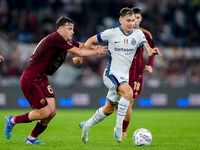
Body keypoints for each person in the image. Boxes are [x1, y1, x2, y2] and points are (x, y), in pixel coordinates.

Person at [4, 16, 108, 144]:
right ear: (60, 29)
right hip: (30, 77)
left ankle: (31, 139)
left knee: (51, 112)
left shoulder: (64, 41)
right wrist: (95, 51)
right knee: (44, 113)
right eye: (69, 29)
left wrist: (94, 48)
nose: (72, 32)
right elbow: (79, 52)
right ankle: (12, 120)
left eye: (73, 29)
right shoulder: (55, 38)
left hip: (41, 77)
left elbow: (81, 45)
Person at [74, 7, 162, 143]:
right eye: (128, 20)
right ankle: (118, 128)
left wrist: (152, 52)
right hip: (110, 74)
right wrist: (81, 56)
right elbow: (91, 40)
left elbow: (148, 50)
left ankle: (87, 125)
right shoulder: (111, 33)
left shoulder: (138, 34)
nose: (131, 23)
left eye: (133, 20)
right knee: (128, 92)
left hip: (124, 77)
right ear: (120, 20)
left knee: (108, 110)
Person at [122, 7, 156, 137]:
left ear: (141, 19)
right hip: (122, 69)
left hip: (136, 71)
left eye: (137, 18)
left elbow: (151, 50)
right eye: (132, 18)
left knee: (130, 101)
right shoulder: (123, 32)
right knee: (118, 103)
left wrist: (150, 65)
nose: (135, 21)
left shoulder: (145, 34)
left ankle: (123, 130)